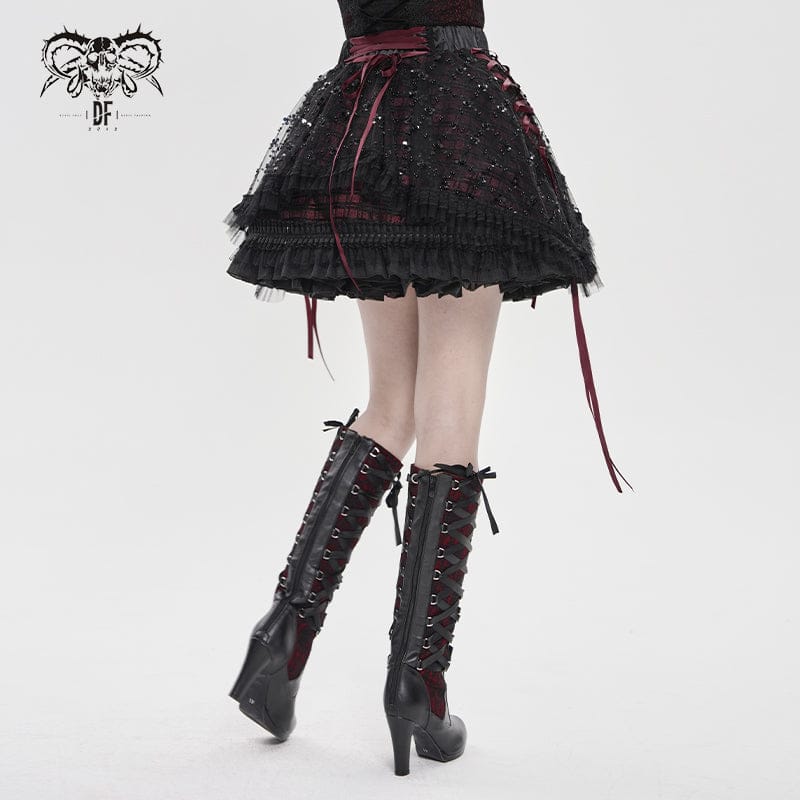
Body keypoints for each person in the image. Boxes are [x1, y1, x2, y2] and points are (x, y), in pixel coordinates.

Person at [224, 0, 633, 777]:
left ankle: (284, 632)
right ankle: (420, 681)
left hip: (363, 126)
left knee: (392, 401)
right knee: (451, 397)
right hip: (454, 122)